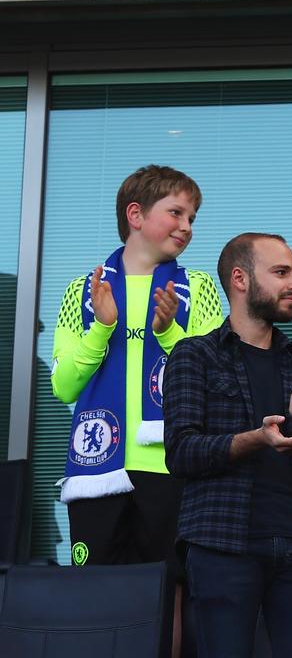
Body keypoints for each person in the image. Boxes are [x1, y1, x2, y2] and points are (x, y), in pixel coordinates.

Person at [163, 232, 292, 658]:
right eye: (282, 272)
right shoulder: (195, 356)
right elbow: (181, 452)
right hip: (222, 545)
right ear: (240, 279)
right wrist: (257, 439)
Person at [53, 164, 222, 568]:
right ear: (136, 215)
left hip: (171, 463)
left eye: (192, 218)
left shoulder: (197, 287)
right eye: (176, 213)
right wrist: (102, 327)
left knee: (171, 592)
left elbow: (217, 374)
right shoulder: (85, 291)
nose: (186, 226)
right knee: (95, 596)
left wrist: (168, 334)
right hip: (96, 467)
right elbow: (63, 386)